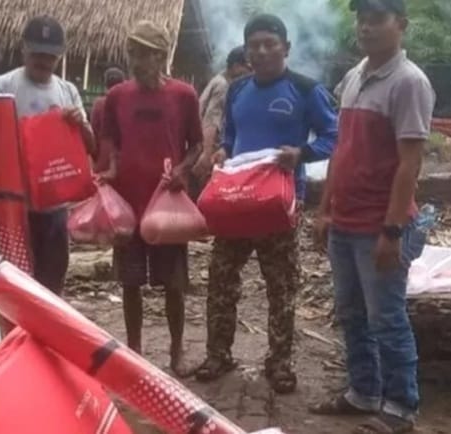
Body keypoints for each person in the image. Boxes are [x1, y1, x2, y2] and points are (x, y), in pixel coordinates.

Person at [194, 14, 338, 394]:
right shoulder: (238, 90)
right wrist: (223, 150)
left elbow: (335, 136)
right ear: (247, 51)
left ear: (285, 49)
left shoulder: (306, 90)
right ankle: (218, 354)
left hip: (279, 205)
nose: (260, 51)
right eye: (254, 45)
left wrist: (302, 153)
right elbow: (232, 133)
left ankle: (279, 364)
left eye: (269, 44)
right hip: (237, 203)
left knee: (281, 287)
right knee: (222, 280)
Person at [311, 1, 435, 432]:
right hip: (345, 222)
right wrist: (324, 210)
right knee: (351, 312)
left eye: (376, 19)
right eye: (361, 18)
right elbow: (340, 149)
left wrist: (393, 231)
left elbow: (409, 164)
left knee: (387, 317)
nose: (365, 27)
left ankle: (401, 408)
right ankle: (363, 392)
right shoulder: (356, 75)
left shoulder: (409, 83)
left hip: (379, 225)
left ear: (400, 25)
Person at [0, 16, 96, 296]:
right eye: (37, 54)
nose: (44, 61)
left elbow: (91, 146)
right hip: (12, 206)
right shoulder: (0, 87)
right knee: (18, 284)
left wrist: (80, 123)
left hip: (55, 207)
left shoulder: (67, 91)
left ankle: (48, 337)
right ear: (24, 49)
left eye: (50, 56)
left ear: (59, 56)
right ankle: (21, 338)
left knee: (52, 282)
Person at [97, 20, 203, 377]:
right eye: (133, 52)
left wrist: (183, 171)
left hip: (167, 207)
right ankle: (135, 352)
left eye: (144, 53)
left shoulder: (184, 95)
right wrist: (110, 171)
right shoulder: (117, 96)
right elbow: (111, 142)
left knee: (173, 284)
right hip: (129, 205)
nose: (136, 60)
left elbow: (197, 145)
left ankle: (176, 353)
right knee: (130, 283)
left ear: (160, 56)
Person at [193, 45, 251, 180]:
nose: (251, 74)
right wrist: (206, 155)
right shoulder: (224, 87)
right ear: (236, 66)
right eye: (249, 69)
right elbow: (211, 121)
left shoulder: (218, 80)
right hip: (207, 153)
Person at [91, 67, 125, 173]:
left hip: (103, 159)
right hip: (123, 160)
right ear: (123, 82)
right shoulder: (128, 103)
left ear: (105, 83)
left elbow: (93, 132)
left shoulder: (99, 104)